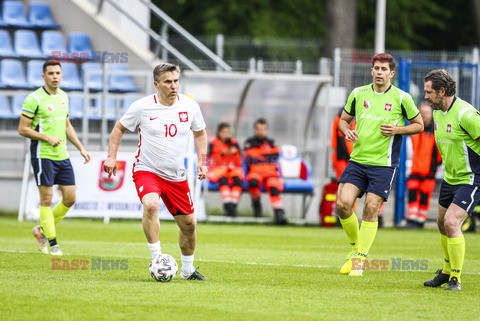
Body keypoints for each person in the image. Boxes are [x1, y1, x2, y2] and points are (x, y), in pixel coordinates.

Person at [103, 63, 208, 280]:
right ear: (156, 84)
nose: (173, 86)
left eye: (176, 81)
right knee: (151, 205)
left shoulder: (190, 106)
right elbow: (118, 129)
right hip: (147, 169)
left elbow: (200, 133)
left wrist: (202, 160)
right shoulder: (141, 106)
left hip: (176, 176)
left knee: (189, 226)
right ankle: (157, 259)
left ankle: (188, 271)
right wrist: (111, 156)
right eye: (168, 82)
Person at [336, 53, 423, 276]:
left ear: (391, 73)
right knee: (343, 204)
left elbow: (419, 125)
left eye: (384, 69)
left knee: (371, 208)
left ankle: (360, 260)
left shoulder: (402, 98)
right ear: (371, 70)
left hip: (383, 165)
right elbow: (344, 121)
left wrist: (398, 130)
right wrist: (347, 131)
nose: (379, 72)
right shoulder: (358, 93)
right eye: (376, 68)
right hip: (357, 161)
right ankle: (356, 249)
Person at [18, 60, 91, 256]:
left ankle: (41, 231)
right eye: (50, 73)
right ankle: (53, 242)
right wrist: (46, 137)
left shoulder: (64, 97)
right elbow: (22, 128)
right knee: (47, 199)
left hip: (62, 155)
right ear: (44, 76)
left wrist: (81, 148)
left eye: (58, 73)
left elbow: (67, 125)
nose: (55, 76)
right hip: (43, 156)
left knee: (70, 198)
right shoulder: (34, 99)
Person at [422, 69, 480, 291]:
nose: (426, 97)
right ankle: (446, 271)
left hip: (471, 178)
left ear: (442, 91)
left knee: (451, 222)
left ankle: (456, 278)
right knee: (440, 223)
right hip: (450, 178)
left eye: (429, 92)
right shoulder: (437, 113)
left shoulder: (466, 114)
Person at [402, 102, 442, 229]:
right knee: (412, 195)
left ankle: (420, 221)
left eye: (426, 113)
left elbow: (440, 153)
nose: (423, 116)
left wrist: (435, 166)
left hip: (429, 170)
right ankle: (412, 220)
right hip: (415, 168)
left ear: (431, 114)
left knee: (425, 197)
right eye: (422, 113)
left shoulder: (436, 132)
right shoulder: (414, 128)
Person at [244, 118, 287, 225]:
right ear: (255, 129)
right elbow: (249, 157)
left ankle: (279, 214)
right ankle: (257, 209)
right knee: (253, 182)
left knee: (273, 187)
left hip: (270, 172)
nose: (261, 131)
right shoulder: (249, 142)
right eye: (258, 129)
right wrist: (266, 154)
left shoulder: (272, 142)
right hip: (255, 171)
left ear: (266, 130)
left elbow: (275, 155)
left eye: (263, 129)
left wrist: (258, 154)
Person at [206, 122, 244, 217]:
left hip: (231, 169)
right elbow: (210, 161)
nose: (226, 134)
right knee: (223, 180)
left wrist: (235, 153)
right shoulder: (213, 143)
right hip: (217, 170)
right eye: (223, 132)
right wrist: (224, 153)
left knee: (237, 180)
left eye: (228, 132)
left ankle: (233, 205)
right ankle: (228, 205)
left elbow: (239, 162)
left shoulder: (233, 143)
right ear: (219, 132)